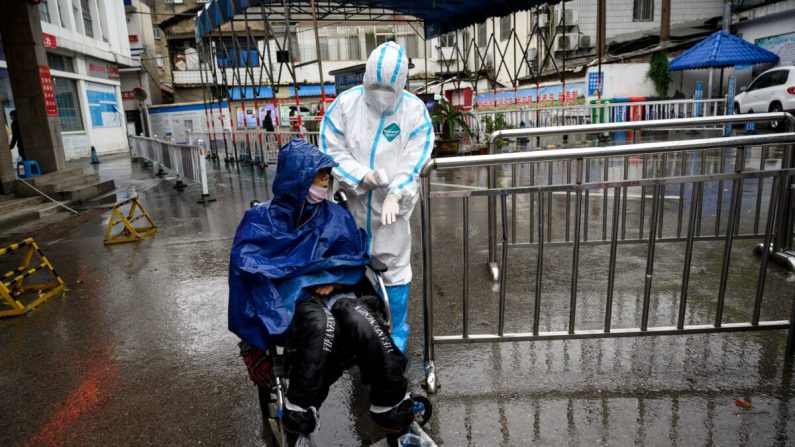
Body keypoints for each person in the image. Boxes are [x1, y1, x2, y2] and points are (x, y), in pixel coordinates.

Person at [229, 139, 413, 439]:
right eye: (319, 174)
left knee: (362, 321)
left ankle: (389, 402)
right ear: (298, 178)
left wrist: (334, 278)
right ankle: (300, 406)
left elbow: (353, 256)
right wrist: (306, 280)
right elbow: (248, 265)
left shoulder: (335, 215)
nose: (326, 178)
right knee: (322, 325)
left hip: (340, 293)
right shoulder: (261, 221)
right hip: (294, 300)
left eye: (327, 172)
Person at [319, 41, 434, 352]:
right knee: (347, 266)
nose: (380, 93)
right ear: (365, 78)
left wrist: (397, 191)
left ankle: (395, 333)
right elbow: (331, 149)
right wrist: (361, 175)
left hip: (390, 212)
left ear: (401, 85)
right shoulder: (344, 105)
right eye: (374, 85)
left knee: (393, 269)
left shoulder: (415, 112)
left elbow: (416, 160)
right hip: (350, 204)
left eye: (388, 87)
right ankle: (354, 334)